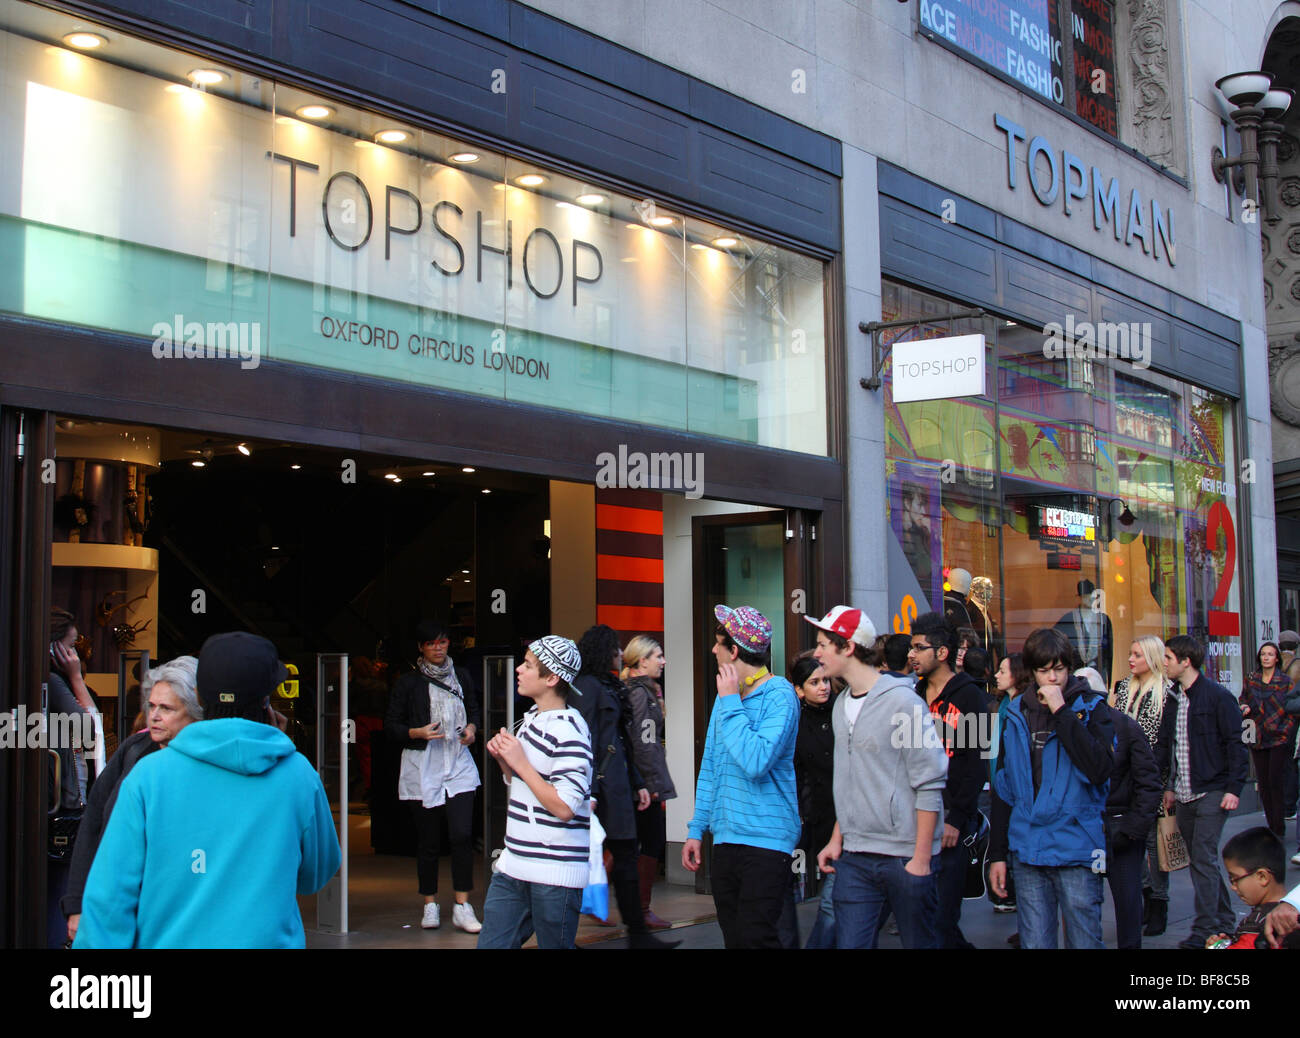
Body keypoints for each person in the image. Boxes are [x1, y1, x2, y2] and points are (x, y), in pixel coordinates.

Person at [74, 632, 341, 947]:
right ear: (267, 699)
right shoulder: (298, 776)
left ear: (199, 697)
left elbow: (110, 897)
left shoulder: (149, 776)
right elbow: (315, 875)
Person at [811, 606, 948, 949]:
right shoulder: (841, 705)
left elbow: (930, 782)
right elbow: (852, 780)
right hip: (856, 856)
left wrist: (920, 860)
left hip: (904, 857)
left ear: (848, 647)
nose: (816, 654)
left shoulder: (904, 703)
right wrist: (837, 838)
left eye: (823, 644)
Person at [988, 628, 1116, 949]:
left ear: (1068, 667)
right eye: (1044, 671)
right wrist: (998, 854)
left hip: (1077, 847)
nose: (1053, 678)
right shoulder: (1016, 712)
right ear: (1032, 672)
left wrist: (1063, 712)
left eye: (1059, 669)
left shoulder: (1093, 707)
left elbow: (1100, 769)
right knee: (1035, 942)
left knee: (1084, 941)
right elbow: (1004, 788)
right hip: (1028, 847)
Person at [683, 605, 800, 949]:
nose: (713, 650)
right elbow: (711, 767)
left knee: (756, 938)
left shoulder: (780, 694)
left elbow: (756, 760)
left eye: (719, 643)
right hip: (725, 838)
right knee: (735, 938)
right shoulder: (726, 700)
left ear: (734, 650)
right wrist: (695, 829)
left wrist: (732, 701)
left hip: (767, 839)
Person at [63, 656, 200, 945]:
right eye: (151, 706)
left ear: (195, 713)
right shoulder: (135, 749)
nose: (154, 716)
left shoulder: (206, 766)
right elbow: (93, 823)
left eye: (166, 708)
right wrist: (76, 904)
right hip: (117, 905)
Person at [478, 636, 593, 950]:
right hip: (514, 864)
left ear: (552, 678)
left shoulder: (570, 730)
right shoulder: (530, 721)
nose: (519, 669)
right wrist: (506, 762)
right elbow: (524, 786)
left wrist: (518, 763)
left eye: (528, 665)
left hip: (554, 873)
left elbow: (565, 806)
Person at [573, 625, 675, 949]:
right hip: (601, 788)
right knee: (596, 857)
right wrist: (587, 790)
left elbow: (620, 742)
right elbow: (585, 741)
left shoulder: (609, 686)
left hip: (617, 784)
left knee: (626, 854)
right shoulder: (588, 689)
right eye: (615, 649)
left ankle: (639, 933)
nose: (620, 655)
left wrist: (638, 782)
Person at [383, 619, 482, 933]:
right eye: (431, 644)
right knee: (428, 841)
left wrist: (471, 730)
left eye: (442, 642)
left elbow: (475, 710)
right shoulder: (409, 683)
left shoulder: (462, 676)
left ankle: (463, 905)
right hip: (423, 764)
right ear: (420, 648)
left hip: (458, 762)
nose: (438, 649)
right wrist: (416, 732)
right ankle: (429, 904)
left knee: (462, 835)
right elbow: (391, 726)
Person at [1154, 634, 1250, 950]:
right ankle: (1222, 921)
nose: (1164, 663)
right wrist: (1169, 787)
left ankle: (1205, 928)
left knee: (1203, 859)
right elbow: (1172, 748)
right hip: (1183, 793)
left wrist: (1233, 789)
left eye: (1168, 657)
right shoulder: (1173, 698)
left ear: (1186, 661)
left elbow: (1235, 746)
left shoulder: (1218, 697)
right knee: (1201, 860)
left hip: (1212, 790)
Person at [907, 612, 986, 950]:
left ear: (941, 653)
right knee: (924, 917)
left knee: (942, 919)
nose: (911, 655)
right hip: (913, 822)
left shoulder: (970, 697)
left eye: (918, 648)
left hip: (951, 823)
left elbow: (976, 764)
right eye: (910, 648)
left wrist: (957, 818)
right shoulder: (912, 694)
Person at [1110, 635, 1176, 937]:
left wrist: (1165, 783)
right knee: (1135, 842)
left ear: (1151, 657)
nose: (1131, 659)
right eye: (1130, 653)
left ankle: (1159, 902)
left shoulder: (1168, 693)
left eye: (1137, 654)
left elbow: (1166, 743)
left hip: (1154, 779)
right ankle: (1146, 896)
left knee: (1155, 843)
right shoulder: (1123, 688)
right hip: (1126, 778)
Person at [46, 607, 98, 948]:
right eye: (72, 646)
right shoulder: (53, 681)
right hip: (62, 803)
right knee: (59, 891)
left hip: (56, 800)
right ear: (56, 649)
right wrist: (77, 678)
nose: (76, 654)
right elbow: (88, 726)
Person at [621, 635, 677, 931]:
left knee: (627, 842)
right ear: (642, 661)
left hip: (639, 780)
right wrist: (651, 784)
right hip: (644, 783)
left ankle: (596, 898)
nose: (663, 661)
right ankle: (641, 910)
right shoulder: (641, 694)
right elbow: (643, 743)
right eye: (658, 656)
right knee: (651, 841)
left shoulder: (640, 690)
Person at [1102, 697, 1161, 949]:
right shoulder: (1071, 725)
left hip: (1119, 826)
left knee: (1127, 900)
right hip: (1088, 828)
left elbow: (1149, 781)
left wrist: (1133, 829)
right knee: (1082, 903)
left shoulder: (1125, 726)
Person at [790, 650, 837, 949]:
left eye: (826, 680)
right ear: (799, 689)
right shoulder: (793, 721)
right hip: (812, 815)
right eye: (814, 682)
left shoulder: (842, 713)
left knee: (834, 901)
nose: (823, 687)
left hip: (844, 817)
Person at [1207, 827, 1300, 949]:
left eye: (1235, 879)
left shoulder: (1258, 924)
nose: (1233, 887)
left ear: (1262, 876)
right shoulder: (1293, 915)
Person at [988, 654, 1029, 916]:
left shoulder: (1025, 707)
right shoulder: (999, 705)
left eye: (1003, 671)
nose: (997, 675)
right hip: (996, 781)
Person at [1240, 641, 1295, 838]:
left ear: (1277, 658)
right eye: (1263, 654)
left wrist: (1286, 730)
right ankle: (1272, 824)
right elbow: (1243, 698)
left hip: (1278, 736)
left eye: (1270, 654)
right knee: (1263, 783)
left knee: (1275, 781)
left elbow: (1292, 709)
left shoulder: (1285, 681)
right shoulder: (1251, 679)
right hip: (1257, 734)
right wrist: (1244, 707)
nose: (1266, 657)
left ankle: (1278, 826)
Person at [1054, 579, 1115, 686]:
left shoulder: (1103, 620)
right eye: (1086, 595)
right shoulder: (1068, 619)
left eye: (1091, 594)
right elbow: (1056, 647)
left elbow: (1108, 653)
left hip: (1098, 672)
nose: (1090, 598)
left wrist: (1108, 679)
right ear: (1079, 597)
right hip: (1073, 675)